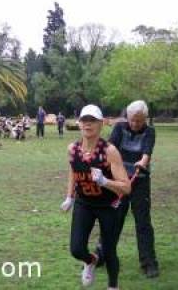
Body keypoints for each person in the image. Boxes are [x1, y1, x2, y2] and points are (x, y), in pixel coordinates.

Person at [60, 104, 131, 290]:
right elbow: (73, 171)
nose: (87, 124)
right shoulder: (73, 149)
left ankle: (113, 286)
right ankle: (90, 261)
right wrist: (70, 197)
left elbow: (126, 187)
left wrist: (105, 181)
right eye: (84, 120)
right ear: (79, 123)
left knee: (109, 251)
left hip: (108, 205)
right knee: (76, 249)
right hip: (84, 203)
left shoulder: (109, 151)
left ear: (101, 124)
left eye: (92, 121)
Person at [95, 100, 160, 278]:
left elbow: (147, 152)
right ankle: (102, 255)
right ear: (128, 117)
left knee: (143, 222)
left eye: (139, 120)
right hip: (119, 181)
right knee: (113, 219)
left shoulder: (150, 131)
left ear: (145, 119)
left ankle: (148, 262)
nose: (135, 124)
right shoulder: (119, 128)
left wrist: (143, 162)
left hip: (140, 182)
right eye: (132, 119)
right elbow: (110, 149)